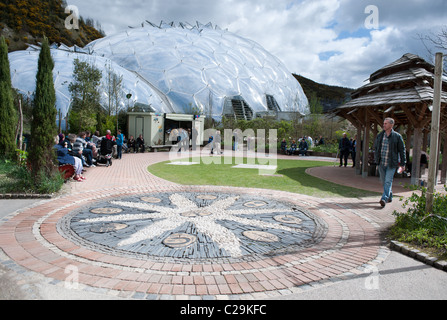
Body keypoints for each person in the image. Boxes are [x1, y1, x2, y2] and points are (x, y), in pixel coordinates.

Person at [374, 118, 406, 208]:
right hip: (381, 163)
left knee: (388, 181)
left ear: (391, 125)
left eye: (386, 123)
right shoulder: (380, 135)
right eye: (383, 123)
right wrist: (377, 160)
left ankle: (384, 198)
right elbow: (376, 148)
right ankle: (390, 196)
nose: (383, 125)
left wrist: (403, 164)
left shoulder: (397, 136)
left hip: (391, 164)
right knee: (384, 182)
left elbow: (402, 150)